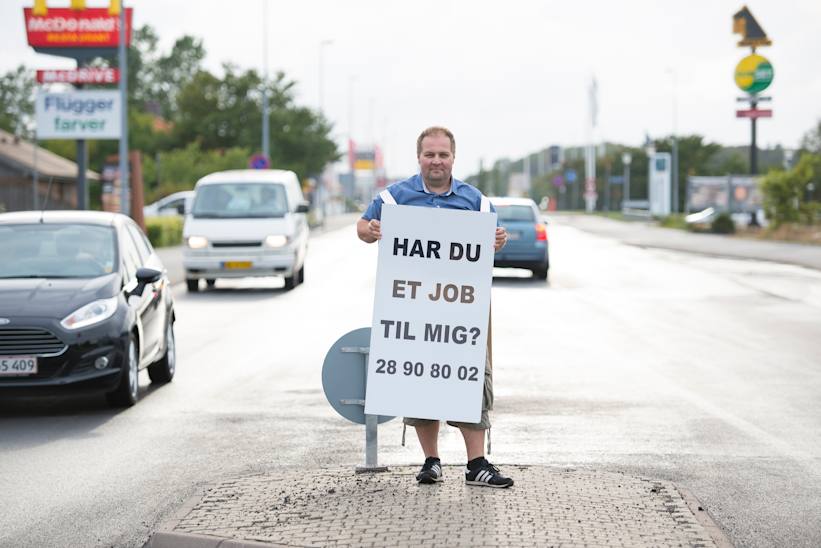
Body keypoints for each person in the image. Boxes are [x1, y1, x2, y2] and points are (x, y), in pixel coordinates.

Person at [356, 126, 513, 488]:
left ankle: (476, 465)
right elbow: (363, 227)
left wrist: (499, 240)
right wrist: (372, 230)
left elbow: (492, 241)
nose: (436, 161)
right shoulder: (394, 198)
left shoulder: (475, 201)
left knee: (471, 377)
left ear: (453, 158)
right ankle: (431, 461)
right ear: (419, 157)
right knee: (420, 379)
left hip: (463, 310)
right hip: (413, 308)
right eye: (430, 154)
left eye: (443, 154)